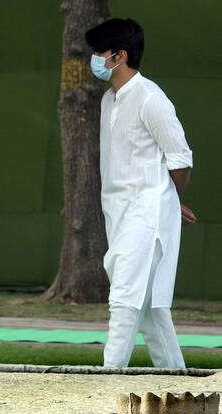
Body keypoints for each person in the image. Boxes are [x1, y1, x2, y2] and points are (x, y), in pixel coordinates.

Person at [85, 18, 195, 368]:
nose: (94, 60)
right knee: (148, 308)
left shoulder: (150, 98)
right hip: (118, 211)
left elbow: (180, 158)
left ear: (120, 56)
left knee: (125, 299)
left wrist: (166, 199)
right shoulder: (108, 99)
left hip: (146, 212)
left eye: (99, 53)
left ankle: (106, 381)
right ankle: (177, 380)